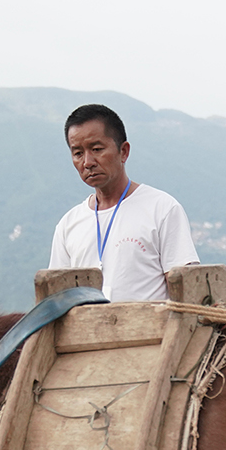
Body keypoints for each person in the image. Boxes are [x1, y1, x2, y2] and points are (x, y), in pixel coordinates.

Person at [48, 103, 199, 302]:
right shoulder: (68, 225)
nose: (87, 162)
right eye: (78, 153)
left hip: (151, 323)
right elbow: (58, 298)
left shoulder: (162, 208)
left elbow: (187, 294)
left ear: (124, 151)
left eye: (97, 149)